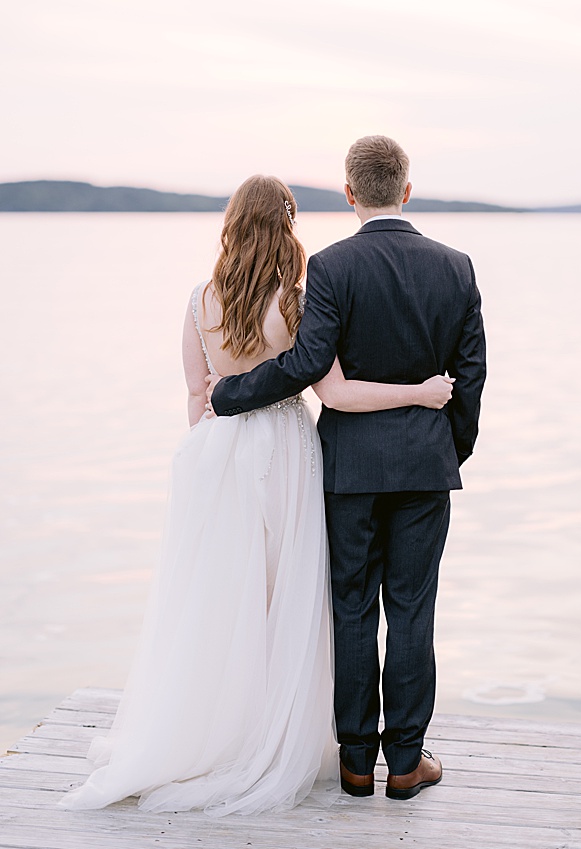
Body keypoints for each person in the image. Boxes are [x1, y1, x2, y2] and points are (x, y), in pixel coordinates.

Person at [59, 175, 454, 815]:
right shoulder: (293, 305)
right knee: (288, 600)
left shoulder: (198, 299)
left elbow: (198, 394)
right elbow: (336, 393)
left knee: (224, 601)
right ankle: (278, 738)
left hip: (216, 457)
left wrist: (212, 458)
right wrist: (419, 395)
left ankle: (220, 733)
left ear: (232, 223)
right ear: (287, 226)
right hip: (284, 453)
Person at [207, 136, 486, 801]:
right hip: (424, 464)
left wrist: (228, 394)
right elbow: (471, 377)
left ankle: (357, 761)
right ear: (407, 189)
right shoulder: (457, 267)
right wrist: (450, 446)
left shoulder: (331, 267)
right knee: (413, 611)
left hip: (349, 470)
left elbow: (307, 366)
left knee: (352, 609)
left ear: (350, 192)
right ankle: (407, 761)